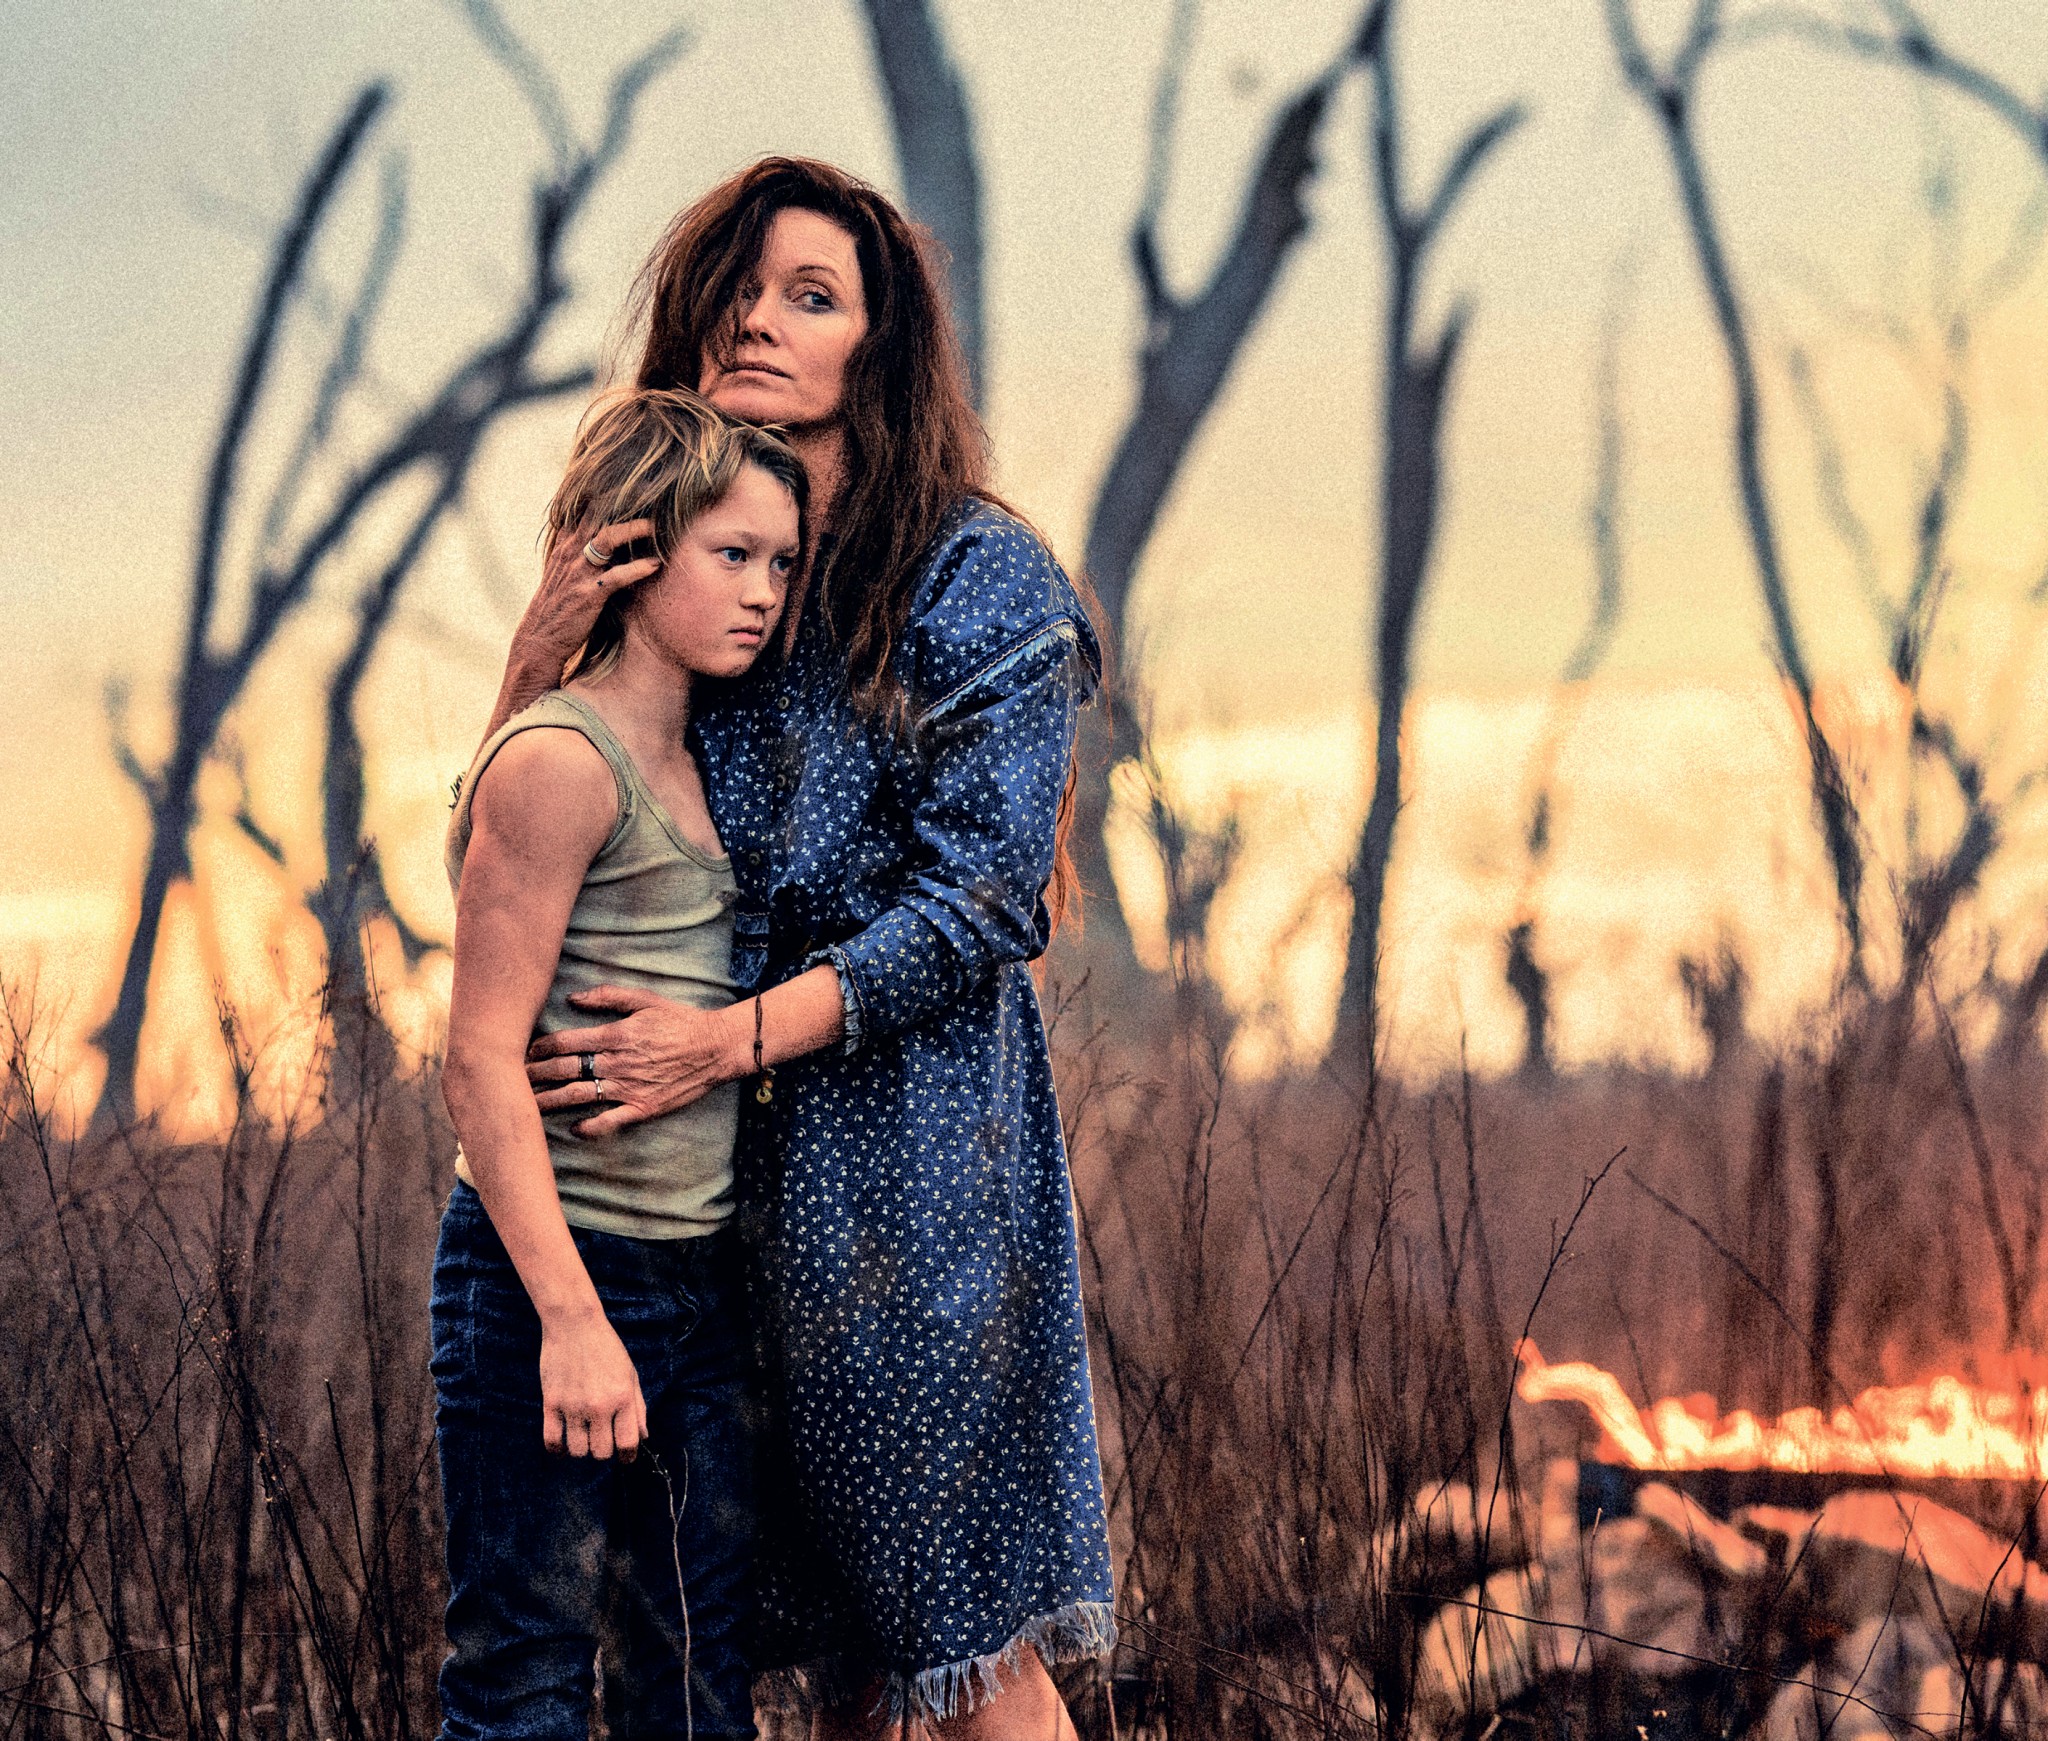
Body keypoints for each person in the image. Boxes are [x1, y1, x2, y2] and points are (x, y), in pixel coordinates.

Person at [493, 158, 1115, 1738]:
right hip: (703, 1185)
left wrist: (727, 1036)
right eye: (740, 288)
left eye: (812, 296)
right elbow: (523, 857)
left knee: (952, 1631)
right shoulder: (686, 563)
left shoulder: (972, 572)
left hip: (912, 1169)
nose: (761, 320)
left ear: (876, 347)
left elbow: (984, 901)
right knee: (823, 1646)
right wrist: (535, 651)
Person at [434, 388, 808, 1741]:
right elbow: (478, 1059)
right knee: (524, 1680)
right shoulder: (561, 758)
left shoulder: (711, 758)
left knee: (694, 1687)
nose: (763, 592)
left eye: (781, 563)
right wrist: (573, 1320)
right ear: (637, 548)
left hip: (697, 1283)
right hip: (554, 1274)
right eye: (731, 554)